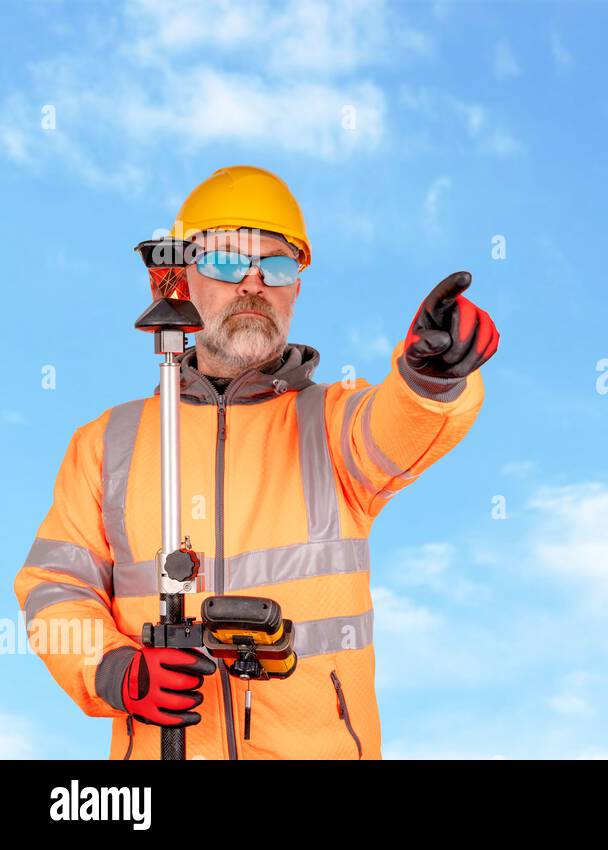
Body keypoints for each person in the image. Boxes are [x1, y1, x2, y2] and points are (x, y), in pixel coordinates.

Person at [13, 165, 499, 759]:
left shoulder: (334, 424)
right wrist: (114, 670)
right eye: (223, 261)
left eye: (276, 265)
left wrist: (429, 375)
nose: (253, 282)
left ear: (296, 286)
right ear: (180, 280)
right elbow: (54, 587)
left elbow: (402, 426)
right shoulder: (108, 443)